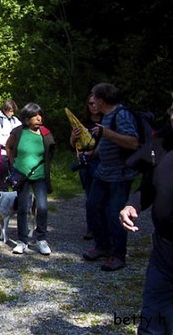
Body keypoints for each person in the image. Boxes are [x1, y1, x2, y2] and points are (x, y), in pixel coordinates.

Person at [119, 102, 173, 334]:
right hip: (164, 252)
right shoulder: (165, 143)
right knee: (152, 326)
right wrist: (134, 204)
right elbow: (151, 184)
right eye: (172, 111)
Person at [82, 82, 139, 272]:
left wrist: (107, 133)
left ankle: (118, 255)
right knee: (93, 206)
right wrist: (94, 153)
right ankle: (102, 246)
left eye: (94, 96)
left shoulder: (122, 115)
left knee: (115, 214)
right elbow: (107, 141)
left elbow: (133, 142)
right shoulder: (107, 117)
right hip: (103, 172)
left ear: (102, 99)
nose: (91, 100)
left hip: (119, 176)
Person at [5, 102, 56, 256]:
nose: (39, 118)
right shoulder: (18, 132)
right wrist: (14, 163)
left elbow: (51, 152)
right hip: (22, 176)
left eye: (40, 114)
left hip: (39, 176)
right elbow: (8, 146)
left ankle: (41, 239)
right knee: (22, 208)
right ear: (27, 118)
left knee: (42, 207)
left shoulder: (46, 133)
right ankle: (22, 241)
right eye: (35, 115)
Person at [69, 95, 102, 240]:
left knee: (101, 197)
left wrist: (94, 152)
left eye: (95, 103)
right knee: (89, 197)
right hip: (85, 164)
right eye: (90, 104)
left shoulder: (106, 122)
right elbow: (72, 145)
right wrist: (73, 137)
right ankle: (92, 228)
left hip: (100, 163)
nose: (93, 106)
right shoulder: (83, 123)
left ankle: (103, 228)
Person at [0, 99, 21, 190]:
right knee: (3, 179)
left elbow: (20, 131)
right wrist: (10, 142)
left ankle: (17, 198)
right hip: (3, 154)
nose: (12, 113)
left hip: (14, 153)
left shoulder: (15, 121)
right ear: (5, 109)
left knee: (16, 177)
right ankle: (4, 199)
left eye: (13, 111)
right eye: (11, 111)